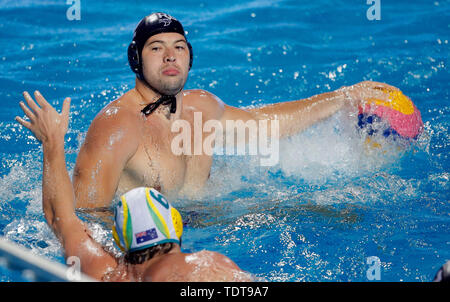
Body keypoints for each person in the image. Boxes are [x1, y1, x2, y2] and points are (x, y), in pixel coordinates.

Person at [50, 12, 401, 208]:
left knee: (325, 207)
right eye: (156, 48)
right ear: (135, 60)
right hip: (150, 251)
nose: (170, 55)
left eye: (179, 46)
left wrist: (339, 98)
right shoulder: (117, 127)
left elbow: (264, 126)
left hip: (205, 218)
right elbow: (87, 215)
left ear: (190, 56)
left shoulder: (201, 106)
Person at [15, 92, 251, 281]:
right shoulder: (209, 267)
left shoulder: (103, 271)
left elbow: (59, 217)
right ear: (176, 225)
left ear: (118, 239)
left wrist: (51, 142)